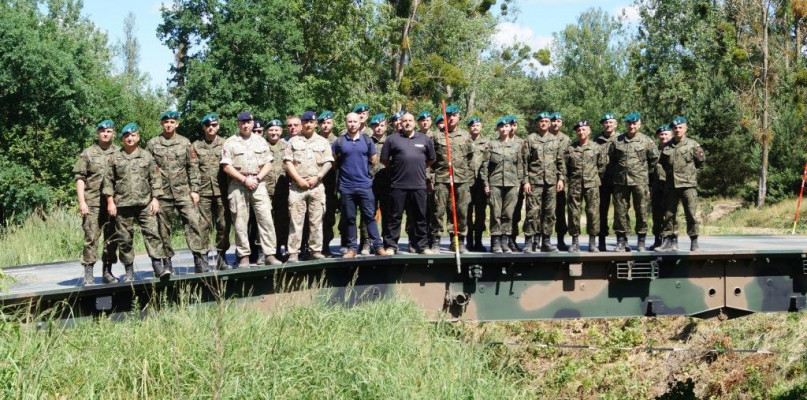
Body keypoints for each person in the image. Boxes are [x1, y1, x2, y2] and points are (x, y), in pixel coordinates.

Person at [104, 123, 168, 281]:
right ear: (122, 139)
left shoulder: (147, 156)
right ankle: (129, 272)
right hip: (123, 204)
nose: (130, 138)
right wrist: (110, 202)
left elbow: (155, 179)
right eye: (126, 136)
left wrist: (155, 199)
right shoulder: (114, 158)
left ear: (138, 137)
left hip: (145, 203)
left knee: (153, 234)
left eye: (133, 135)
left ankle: (158, 267)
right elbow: (108, 182)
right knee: (125, 239)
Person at [146, 111, 208, 273]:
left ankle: (199, 260)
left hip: (184, 192)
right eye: (166, 122)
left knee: (194, 223)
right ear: (161, 123)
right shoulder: (153, 144)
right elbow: (148, 171)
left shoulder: (185, 143)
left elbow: (193, 167)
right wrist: (154, 196)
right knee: (163, 229)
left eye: (172, 122)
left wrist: (195, 190)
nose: (168, 124)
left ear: (177, 124)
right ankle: (167, 263)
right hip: (162, 194)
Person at [221, 112, 282, 266]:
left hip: (258, 183)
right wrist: (244, 179)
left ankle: (269, 254)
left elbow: (269, 163)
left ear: (253, 123)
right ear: (238, 124)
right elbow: (226, 166)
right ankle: (243, 256)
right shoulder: (230, 142)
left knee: (266, 219)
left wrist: (257, 178)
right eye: (243, 122)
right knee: (240, 222)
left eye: (248, 122)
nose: (246, 125)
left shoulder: (261, 141)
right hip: (238, 184)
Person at [332, 113, 388, 257]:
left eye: (355, 121)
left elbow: (374, 160)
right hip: (346, 187)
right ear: (345, 123)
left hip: (364, 185)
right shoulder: (339, 142)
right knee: (349, 218)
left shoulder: (367, 140)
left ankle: (378, 247)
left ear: (360, 123)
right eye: (349, 121)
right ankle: (352, 249)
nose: (352, 124)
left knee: (369, 217)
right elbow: (334, 162)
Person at [380, 112, 436, 254]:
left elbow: (431, 159)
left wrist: (417, 167)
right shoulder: (392, 139)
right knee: (394, 217)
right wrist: (398, 168)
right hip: (398, 185)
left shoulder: (424, 139)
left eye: (410, 120)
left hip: (418, 185)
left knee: (420, 217)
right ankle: (391, 246)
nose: (407, 123)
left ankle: (422, 246)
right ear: (400, 122)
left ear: (415, 122)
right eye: (404, 121)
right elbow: (384, 160)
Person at [73, 119, 121, 285]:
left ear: (113, 133)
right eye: (102, 131)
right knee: (91, 237)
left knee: (112, 238)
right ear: (97, 133)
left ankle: (107, 272)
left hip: (113, 203)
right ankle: (89, 273)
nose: (105, 134)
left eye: (108, 131)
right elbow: (80, 179)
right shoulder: (88, 153)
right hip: (92, 202)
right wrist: (82, 202)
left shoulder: (119, 152)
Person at [283, 111, 335, 263]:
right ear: (302, 124)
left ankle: (315, 250)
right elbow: (288, 162)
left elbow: (328, 162)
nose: (308, 124)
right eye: (305, 122)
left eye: (311, 122)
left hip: (316, 185)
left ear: (315, 124)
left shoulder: (323, 142)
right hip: (297, 186)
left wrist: (317, 177)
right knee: (295, 221)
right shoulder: (293, 142)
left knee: (316, 220)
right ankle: (293, 252)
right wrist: (298, 179)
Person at [608, 112, 658, 252]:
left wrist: (647, 178)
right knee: (620, 212)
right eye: (629, 123)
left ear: (639, 124)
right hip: (621, 182)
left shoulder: (647, 141)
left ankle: (641, 240)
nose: (632, 126)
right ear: (625, 124)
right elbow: (611, 160)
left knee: (641, 211)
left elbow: (654, 160)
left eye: (635, 123)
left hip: (640, 182)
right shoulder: (617, 141)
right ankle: (621, 240)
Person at [429, 105, 475, 253]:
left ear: (459, 117)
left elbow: (470, 158)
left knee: (460, 210)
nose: (451, 118)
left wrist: (467, 176)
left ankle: (458, 241)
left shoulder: (465, 136)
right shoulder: (437, 136)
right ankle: (436, 240)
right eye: (448, 115)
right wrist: (430, 178)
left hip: (461, 180)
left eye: (454, 115)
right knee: (438, 210)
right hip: (442, 179)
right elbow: (430, 160)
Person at [657, 116, 705, 252]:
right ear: (672, 129)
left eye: (680, 127)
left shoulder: (692, 145)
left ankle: (694, 241)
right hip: (671, 186)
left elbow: (701, 162)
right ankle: (668, 241)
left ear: (685, 128)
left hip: (688, 186)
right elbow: (661, 164)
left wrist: (692, 176)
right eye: (675, 128)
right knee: (669, 215)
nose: (678, 130)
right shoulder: (667, 146)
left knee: (691, 214)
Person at [191, 113, 231, 270]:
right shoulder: (195, 145)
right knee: (203, 226)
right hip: (203, 192)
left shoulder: (226, 144)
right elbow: (193, 170)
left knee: (223, 224)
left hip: (223, 190)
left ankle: (222, 257)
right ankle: (203, 259)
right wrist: (194, 190)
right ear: (203, 127)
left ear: (218, 126)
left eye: (214, 125)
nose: (211, 128)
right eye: (208, 125)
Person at [522, 111, 566, 253]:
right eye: (541, 121)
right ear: (537, 123)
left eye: (546, 121)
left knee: (549, 212)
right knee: (532, 212)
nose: (544, 123)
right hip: (534, 181)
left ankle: (546, 241)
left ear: (549, 123)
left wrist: (561, 179)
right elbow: (524, 163)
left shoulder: (555, 140)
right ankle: (529, 241)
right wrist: (526, 181)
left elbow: (560, 161)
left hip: (551, 182)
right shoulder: (530, 139)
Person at [481, 117, 521, 253]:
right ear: (498, 129)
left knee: (508, 213)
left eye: (507, 126)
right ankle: (495, 241)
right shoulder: (491, 145)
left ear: (511, 128)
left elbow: (520, 166)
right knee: (495, 212)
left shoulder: (516, 146)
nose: (504, 129)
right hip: (495, 183)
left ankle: (505, 240)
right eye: (501, 127)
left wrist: (519, 183)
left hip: (512, 184)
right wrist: (486, 184)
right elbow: (484, 166)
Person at [564, 120, 606, 252]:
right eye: (579, 130)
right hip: (575, 185)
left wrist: (595, 178)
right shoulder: (570, 149)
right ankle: (575, 241)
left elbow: (602, 166)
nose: (581, 132)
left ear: (589, 131)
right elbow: (565, 168)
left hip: (592, 184)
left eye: (584, 129)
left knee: (593, 212)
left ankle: (592, 241)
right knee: (574, 212)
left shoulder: (597, 147)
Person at [359, 114, 390, 255]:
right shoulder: (365, 141)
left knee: (388, 214)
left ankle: (386, 242)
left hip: (386, 183)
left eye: (382, 125)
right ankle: (366, 242)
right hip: (368, 182)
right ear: (371, 127)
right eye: (376, 125)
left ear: (386, 127)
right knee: (368, 214)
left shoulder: (390, 141)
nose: (379, 128)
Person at [265, 119, 290, 258]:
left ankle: (283, 247)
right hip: (265, 190)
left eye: (276, 130)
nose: (274, 133)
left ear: (281, 131)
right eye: (271, 130)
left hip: (283, 189)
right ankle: (267, 251)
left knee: (283, 220)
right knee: (266, 221)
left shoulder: (287, 146)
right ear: (266, 132)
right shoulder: (261, 146)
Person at [594, 113, 619, 251]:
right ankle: (601, 238)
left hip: (617, 180)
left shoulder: (621, 139)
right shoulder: (596, 139)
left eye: (610, 122)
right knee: (601, 210)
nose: (608, 124)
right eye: (605, 122)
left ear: (615, 124)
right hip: (601, 180)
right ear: (602, 125)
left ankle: (621, 240)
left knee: (620, 210)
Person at [465, 116, 489, 252]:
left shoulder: (487, 142)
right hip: (466, 182)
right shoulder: (465, 141)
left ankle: (478, 241)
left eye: (478, 125)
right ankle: (468, 241)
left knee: (480, 213)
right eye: (473, 125)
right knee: (466, 212)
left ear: (481, 127)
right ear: (469, 127)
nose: (475, 127)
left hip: (480, 183)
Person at [549, 112, 572, 250]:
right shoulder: (544, 137)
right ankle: (541, 239)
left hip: (560, 181)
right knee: (543, 211)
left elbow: (568, 161)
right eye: (553, 121)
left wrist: (563, 178)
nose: (555, 123)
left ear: (561, 123)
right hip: (544, 179)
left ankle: (560, 239)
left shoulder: (566, 140)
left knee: (560, 210)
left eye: (558, 121)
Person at [318, 110, 339, 256]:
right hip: (315, 183)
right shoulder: (314, 139)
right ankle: (312, 246)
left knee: (329, 217)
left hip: (331, 185)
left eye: (328, 123)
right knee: (313, 217)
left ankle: (326, 244)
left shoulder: (338, 141)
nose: (325, 126)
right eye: (323, 123)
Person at [650, 124, 674, 250]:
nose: (663, 136)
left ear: (671, 135)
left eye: (666, 134)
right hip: (656, 186)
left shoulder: (674, 148)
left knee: (669, 213)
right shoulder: (654, 150)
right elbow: (649, 169)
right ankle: (657, 239)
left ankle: (670, 239)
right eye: (661, 134)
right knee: (656, 214)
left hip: (670, 186)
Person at [507, 115, 525, 252]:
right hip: (503, 183)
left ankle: (512, 239)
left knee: (515, 214)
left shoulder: (522, 143)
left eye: (514, 125)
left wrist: (523, 181)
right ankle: (501, 239)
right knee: (502, 213)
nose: (512, 127)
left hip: (517, 183)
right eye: (509, 125)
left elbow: (524, 163)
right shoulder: (497, 142)